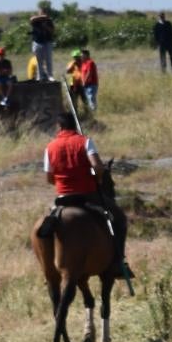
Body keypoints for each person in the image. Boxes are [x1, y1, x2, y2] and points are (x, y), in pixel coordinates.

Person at [43, 110, 132, 285]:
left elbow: (48, 178)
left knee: (47, 225)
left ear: (59, 127)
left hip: (62, 197)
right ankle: (118, 262)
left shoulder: (50, 147)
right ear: (74, 126)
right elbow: (98, 167)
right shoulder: (85, 142)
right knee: (119, 219)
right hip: (87, 194)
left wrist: (61, 182)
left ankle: (49, 269)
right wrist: (96, 178)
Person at [29, 6, 58, 81]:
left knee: (48, 60)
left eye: (44, 12)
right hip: (37, 42)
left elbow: (52, 30)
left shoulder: (48, 21)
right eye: (41, 12)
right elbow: (31, 20)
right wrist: (42, 17)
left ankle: (50, 76)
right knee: (39, 61)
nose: (43, 14)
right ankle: (40, 76)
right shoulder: (36, 20)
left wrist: (46, 26)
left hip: (47, 42)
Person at [70, 49, 101, 114]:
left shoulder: (90, 62)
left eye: (82, 55)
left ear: (86, 55)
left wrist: (84, 82)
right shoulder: (84, 63)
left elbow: (89, 73)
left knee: (90, 99)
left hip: (91, 84)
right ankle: (90, 113)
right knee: (88, 99)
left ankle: (93, 113)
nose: (81, 56)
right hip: (86, 85)